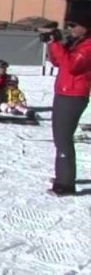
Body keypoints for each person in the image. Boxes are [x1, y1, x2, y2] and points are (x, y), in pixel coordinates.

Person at [43, 14, 91, 196]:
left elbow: (72, 66)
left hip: (74, 95)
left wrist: (58, 44)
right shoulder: (77, 43)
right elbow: (57, 61)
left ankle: (65, 184)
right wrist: (53, 43)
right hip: (64, 91)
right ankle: (63, 176)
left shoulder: (88, 46)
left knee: (63, 139)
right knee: (59, 137)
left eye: (74, 25)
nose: (70, 28)